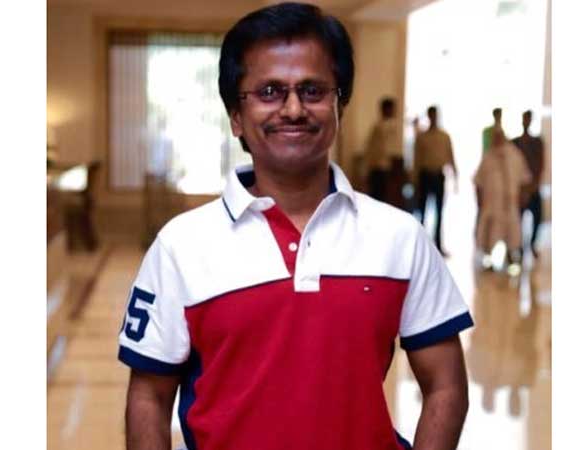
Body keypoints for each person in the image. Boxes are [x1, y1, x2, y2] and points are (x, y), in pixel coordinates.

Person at [119, 4, 473, 450]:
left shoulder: (400, 237)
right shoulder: (181, 246)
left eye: (312, 90)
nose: (293, 108)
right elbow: (149, 397)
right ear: (235, 117)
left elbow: (445, 384)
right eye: (269, 91)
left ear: (339, 106)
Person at [474, 128, 531, 272]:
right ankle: (488, 260)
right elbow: (478, 181)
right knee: (490, 234)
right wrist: (479, 199)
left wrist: (523, 196)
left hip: (510, 203)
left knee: (512, 233)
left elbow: (524, 178)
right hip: (492, 203)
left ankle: (511, 258)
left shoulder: (514, 155)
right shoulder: (488, 157)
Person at [413, 105, 458, 256]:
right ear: (429, 116)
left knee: (439, 213)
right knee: (422, 212)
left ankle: (438, 246)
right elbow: (416, 160)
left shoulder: (444, 136)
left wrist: (455, 177)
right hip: (425, 176)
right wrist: (414, 180)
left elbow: (450, 156)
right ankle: (420, 246)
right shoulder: (422, 137)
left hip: (438, 176)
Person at [512, 110, 545, 258]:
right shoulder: (515, 143)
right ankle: (518, 247)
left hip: (533, 188)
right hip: (519, 189)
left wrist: (532, 187)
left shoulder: (537, 142)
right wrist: (521, 189)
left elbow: (540, 165)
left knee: (538, 217)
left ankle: (531, 244)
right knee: (517, 220)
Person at [363, 97, 401, 202]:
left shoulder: (394, 127)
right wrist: (367, 169)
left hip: (389, 168)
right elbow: (371, 149)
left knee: (386, 198)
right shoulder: (377, 127)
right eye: (389, 109)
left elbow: (395, 150)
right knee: (377, 197)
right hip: (377, 168)